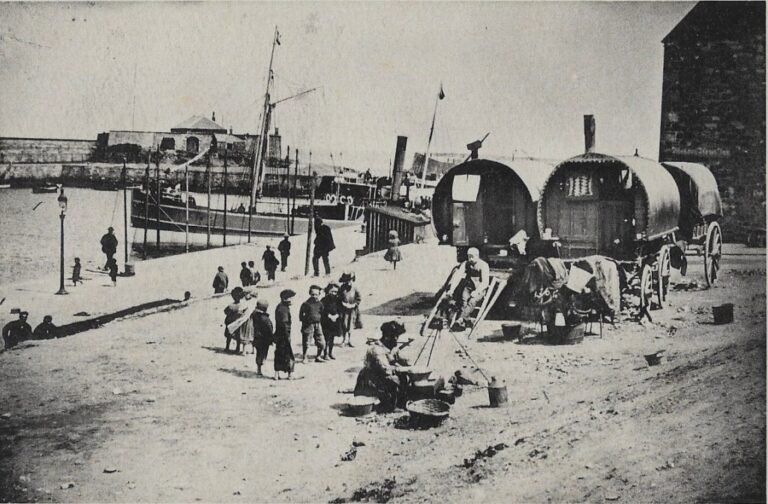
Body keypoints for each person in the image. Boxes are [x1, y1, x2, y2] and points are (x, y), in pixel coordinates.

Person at [353, 321, 410, 412]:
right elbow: (386, 370)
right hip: (369, 381)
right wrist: (400, 368)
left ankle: (400, 402)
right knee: (394, 379)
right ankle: (389, 406)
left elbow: (397, 359)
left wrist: (406, 364)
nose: (396, 339)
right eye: (394, 337)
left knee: (405, 376)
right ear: (387, 337)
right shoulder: (377, 349)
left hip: (379, 377)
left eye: (397, 337)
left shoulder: (388, 347)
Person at [448, 247, 491, 331]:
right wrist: (452, 289)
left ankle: (460, 319)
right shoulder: (466, 264)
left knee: (472, 301)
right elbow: (458, 277)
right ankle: (465, 320)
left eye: (472, 256)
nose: (470, 259)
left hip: (480, 289)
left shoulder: (484, 265)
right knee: (464, 300)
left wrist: (477, 291)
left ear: (477, 255)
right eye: (469, 256)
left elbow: (485, 282)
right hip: (469, 288)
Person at [273, 289, 296, 379]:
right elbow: (284, 323)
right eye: (291, 298)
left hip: (279, 334)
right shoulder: (283, 309)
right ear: (285, 299)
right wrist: (287, 336)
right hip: (284, 335)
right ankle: (290, 374)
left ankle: (276, 374)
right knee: (288, 354)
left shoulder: (280, 307)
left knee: (279, 353)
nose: (292, 300)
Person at [299, 285, 326, 363]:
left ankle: (318, 356)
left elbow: (322, 313)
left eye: (316, 294)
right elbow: (301, 315)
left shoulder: (320, 304)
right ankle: (305, 357)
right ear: (310, 294)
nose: (314, 296)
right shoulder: (306, 304)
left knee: (322, 343)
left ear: (319, 294)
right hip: (308, 325)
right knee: (307, 342)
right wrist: (306, 321)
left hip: (318, 325)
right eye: (312, 294)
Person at [339, 271, 362, 347]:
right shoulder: (342, 288)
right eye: (347, 280)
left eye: (350, 280)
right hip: (344, 310)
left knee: (350, 324)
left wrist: (353, 305)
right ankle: (343, 340)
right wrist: (342, 303)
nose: (349, 282)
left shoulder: (355, 288)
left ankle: (349, 340)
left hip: (352, 310)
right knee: (344, 324)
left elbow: (359, 298)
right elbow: (339, 298)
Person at [251, 299, 274, 376]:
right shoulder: (265, 318)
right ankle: (260, 368)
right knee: (263, 353)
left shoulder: (254, 315)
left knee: (259, 353)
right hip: (265, 339)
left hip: (257, 338)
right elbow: (270, 329)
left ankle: (259, 368)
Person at [320, 282, 342, 360]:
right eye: (332, 291)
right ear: (328, 291)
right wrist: (329, 316)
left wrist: (336, 316)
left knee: (332, 338)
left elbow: (340, 310)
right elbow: (322, 310)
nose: (334, 293)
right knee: (326, 338)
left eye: (335, 292)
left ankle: (330, 353)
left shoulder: (338, 300)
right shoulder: (324, 300)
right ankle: (325, 354)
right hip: (326, 321)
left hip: (335, 322)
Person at [223, 287, 247, 353]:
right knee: (238, 337)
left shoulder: (231, 305)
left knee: (228, 336)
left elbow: (225, 311)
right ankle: (237, 348)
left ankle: (227, 347)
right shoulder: (242, 305)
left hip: (230, 322)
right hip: (238, 323)